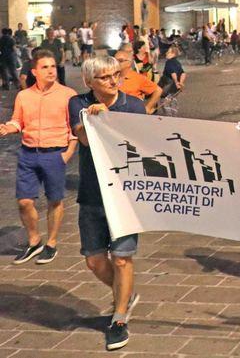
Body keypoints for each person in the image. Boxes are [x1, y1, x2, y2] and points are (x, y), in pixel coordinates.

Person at [69, 55, 146, 351]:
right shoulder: (78, 103)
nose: (113, 81)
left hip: (125, 195)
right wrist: (96, 118)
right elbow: (86, 140)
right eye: (104, 77)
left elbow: (141, 143)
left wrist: (109, 117)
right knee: (94, 259)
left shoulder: (134, 106)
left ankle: (120, 317)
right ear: (89, 81)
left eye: (116, 74)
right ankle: (125, 291)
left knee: (123, 257)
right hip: (92, 193)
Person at [0, 50, 77, 265]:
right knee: (24, 202)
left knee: (54, 200)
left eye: (53, 66)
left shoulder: (68, 94)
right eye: (45, 67)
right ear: (34, 71)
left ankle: (51, 244)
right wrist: (9, 127)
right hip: (28, 154)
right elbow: (18, 121)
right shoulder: (24, 96)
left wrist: (68, 153)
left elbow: (75, 128)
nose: (51, 70)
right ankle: (34, 241)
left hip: (55, 154)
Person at [114, 50, 162, 114]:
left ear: (129, 62)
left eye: (120, 61)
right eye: (113, 60)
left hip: (131, 115)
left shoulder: (138, 78)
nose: (115, 63)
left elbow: (158, 90)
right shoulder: (110, 76)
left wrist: (148, 108)